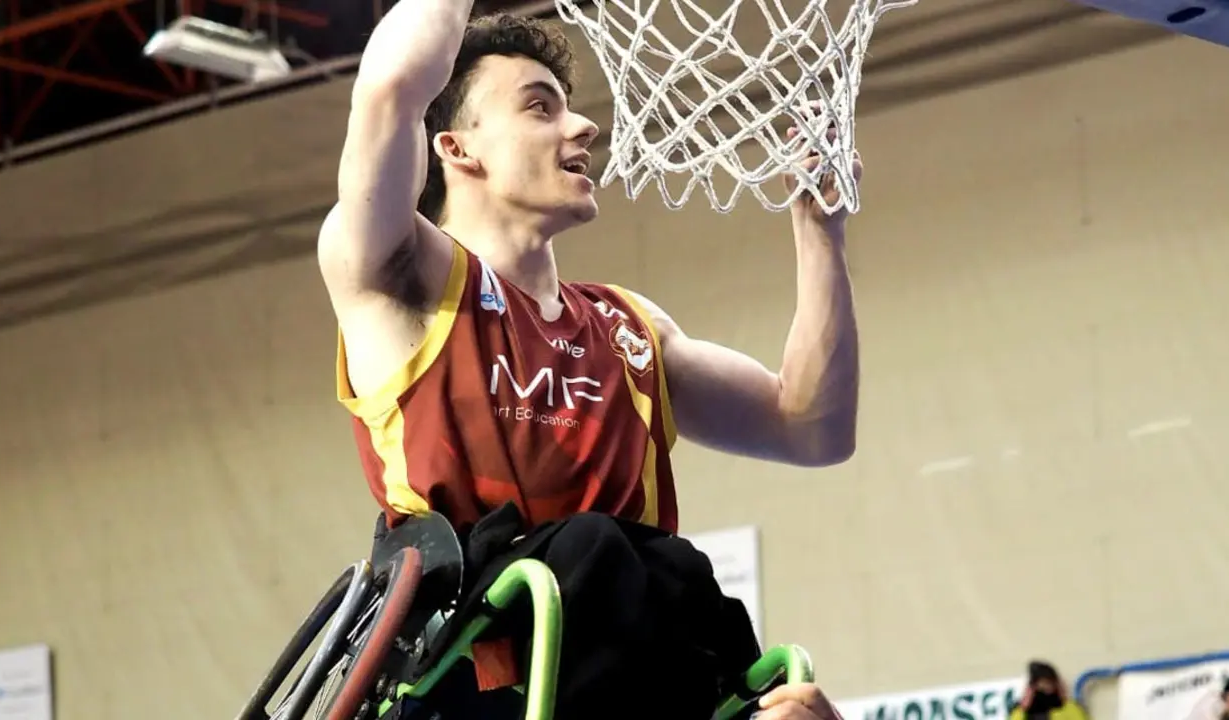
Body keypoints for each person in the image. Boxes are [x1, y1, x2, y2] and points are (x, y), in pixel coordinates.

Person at [316, 0, 860, 717]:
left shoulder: (630, 327)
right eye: (539, 108)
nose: (582, 126)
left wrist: (820, 236)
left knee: (678, 572)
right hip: (471, 670)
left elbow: (811, 427)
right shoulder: (406, 279)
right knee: (592, 547)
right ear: (457, 149)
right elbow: (392, 86)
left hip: (634, 642)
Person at [1008, 661, 1089, 720]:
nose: (1048, 687)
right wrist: (1023, 707)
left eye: (1051, 682)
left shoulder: (1068, 706)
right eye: (1044, 683)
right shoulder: (1023, 710)